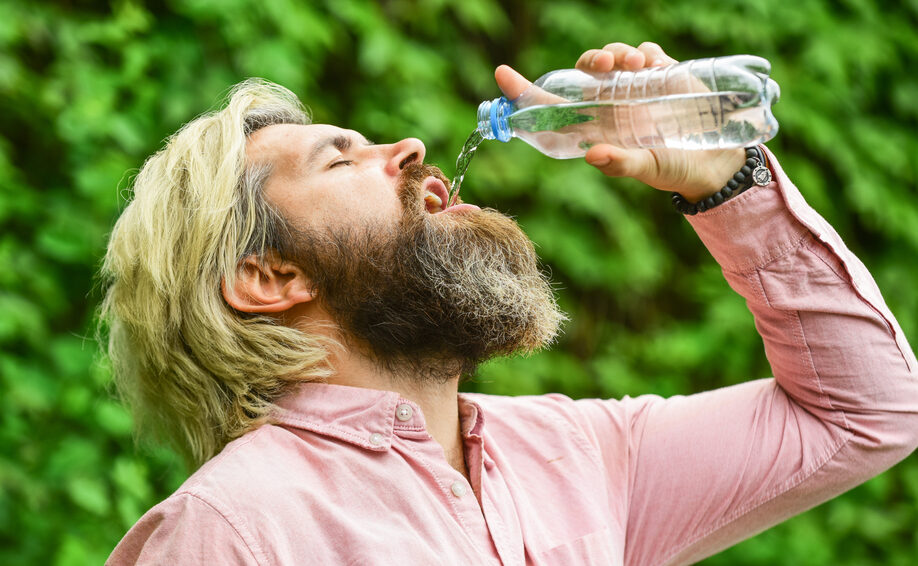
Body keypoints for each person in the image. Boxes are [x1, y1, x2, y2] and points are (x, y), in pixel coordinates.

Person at [103, 42, 918, 565]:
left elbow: (864, 414)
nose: (410, 149)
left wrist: (725, 182)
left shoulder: (579, 453)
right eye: (340, 159)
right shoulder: (230, 533)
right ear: (271, 277)